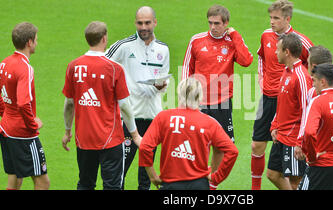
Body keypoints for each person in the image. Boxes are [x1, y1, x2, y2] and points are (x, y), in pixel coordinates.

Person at [62, 21, 142, 190]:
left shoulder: (73, 66)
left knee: (85, 184)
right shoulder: (114, 69)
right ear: (104, 38)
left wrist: (68, 131)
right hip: (110, 140)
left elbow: (69, 104)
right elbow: (125, 106)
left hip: (83, 139)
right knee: (112, 186)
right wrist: (134, 135)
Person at [181, 4, 252, 190]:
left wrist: (236, 36)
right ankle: (195, 181)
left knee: (221, 146)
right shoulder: (196, 41)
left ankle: (212, 185)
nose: (213, 27)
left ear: (226, 23)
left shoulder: (232, 41)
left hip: (222, 104)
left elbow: (246, 61)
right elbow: (186, 70)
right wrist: (185, 99)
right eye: (210, 23)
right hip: (198, 103)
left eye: (217, 23)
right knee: (197, 146)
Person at [251, 0, 314, 190]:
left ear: (287, 19)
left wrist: (303, 82)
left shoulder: (299, 41)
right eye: (270, 17)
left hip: (288, 101)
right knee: (256, 146)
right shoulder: (266, 35)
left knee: (293, 165)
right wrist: (262, 77)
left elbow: (315, 62)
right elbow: (261, 57)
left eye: (276, 18)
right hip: (268, 97)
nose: (272, 22)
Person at [105, 6, 169, 190]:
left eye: (147, 23)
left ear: (155, 23)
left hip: (153, 119)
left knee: (145, 176)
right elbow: (101, 63)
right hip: (128, 119)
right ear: (135, 23)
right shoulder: (124, 46)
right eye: (140, 23)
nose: (143, 27)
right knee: (120, 172)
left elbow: (164, 79)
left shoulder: (163, 50)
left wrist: (162, 85)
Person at [138, 77, 239, 190]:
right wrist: (217, 178)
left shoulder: (163, 117)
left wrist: (153, 176)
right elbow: (232, 151)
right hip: (199, 184)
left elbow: (145, 147)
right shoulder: (210, 123)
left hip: (170, 185)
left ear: (179, 93)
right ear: (200, 97)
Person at [0, 22, 50, 190]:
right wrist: (32, 125)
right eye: (36, 39)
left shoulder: (5, 63)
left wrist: (7, 115)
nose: (37, 42)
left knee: (15, 179)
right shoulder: (25, 68)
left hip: (6, 130)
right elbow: (23, 103)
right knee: (43, 182)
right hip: (23, 134)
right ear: (29, 42)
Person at [267, 33, 312, 190]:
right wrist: (274, 125)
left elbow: (307, 110)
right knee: (272, 174)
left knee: (296, 182)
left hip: (293, 139)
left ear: (287, 52)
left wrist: (300, 142)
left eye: (277, 49)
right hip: (281, 136)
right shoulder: (286, 71)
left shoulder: (301, 76)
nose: (275, 52)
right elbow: (282, 103)